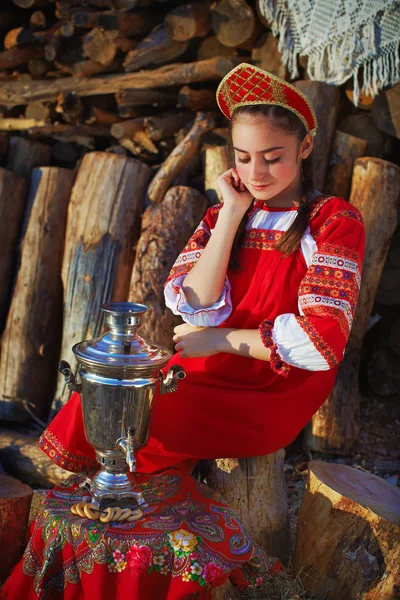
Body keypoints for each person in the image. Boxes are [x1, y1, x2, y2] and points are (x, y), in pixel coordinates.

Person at [38, 63, 365, 476]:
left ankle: (142, 518)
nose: (255, 173)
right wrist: (232, 212)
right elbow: (194, 303)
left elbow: (323, 341)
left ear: (305, 147)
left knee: (139, 418)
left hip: (273, 389)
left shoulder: (334, 220)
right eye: (243, 158)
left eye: (272, 157)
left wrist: (218, 339)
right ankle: (120, 508)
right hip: (206, 367)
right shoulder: (221, 215)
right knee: (106, 396)